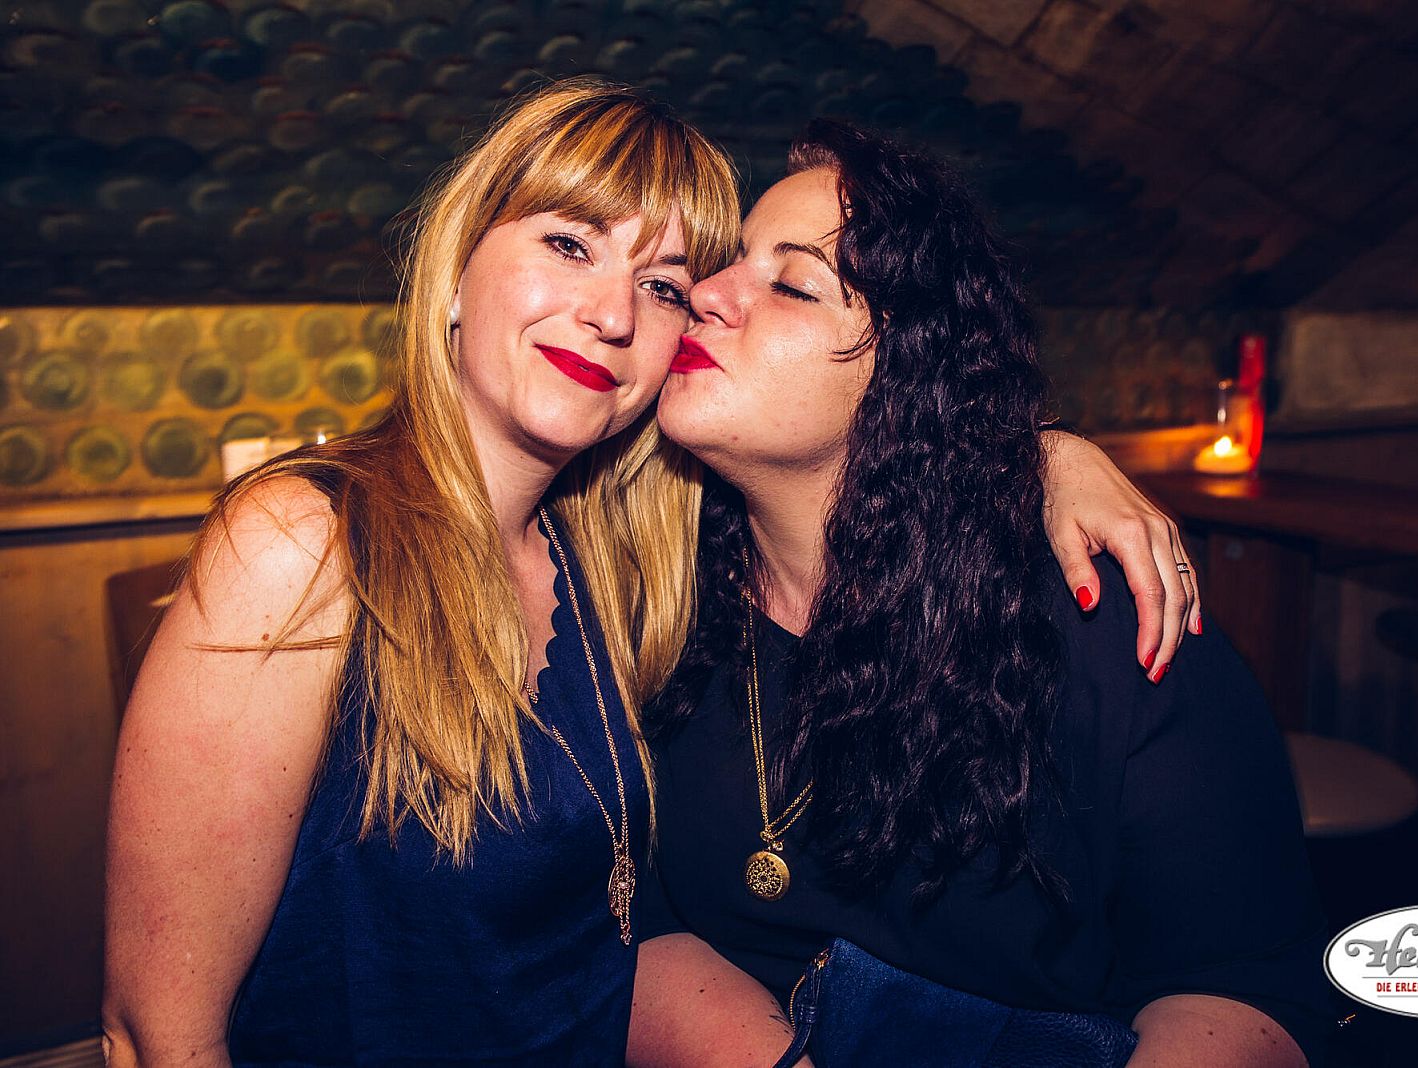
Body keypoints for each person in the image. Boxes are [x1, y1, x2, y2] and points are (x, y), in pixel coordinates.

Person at [102, 82, 1195, 1065]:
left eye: (665, 285)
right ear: (457, 269)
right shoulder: (305, 544)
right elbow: (158, 1033)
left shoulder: (617, 564)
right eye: (570, 243)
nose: (614, 313)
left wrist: (1041, 452)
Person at [630, 122, 1327, 1067]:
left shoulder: (1103, 619)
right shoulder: (649, 598)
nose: (706, 294)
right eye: (728, 264)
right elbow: (615, 917)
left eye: (793, 284)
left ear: (905, 374)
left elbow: (1250, 986)